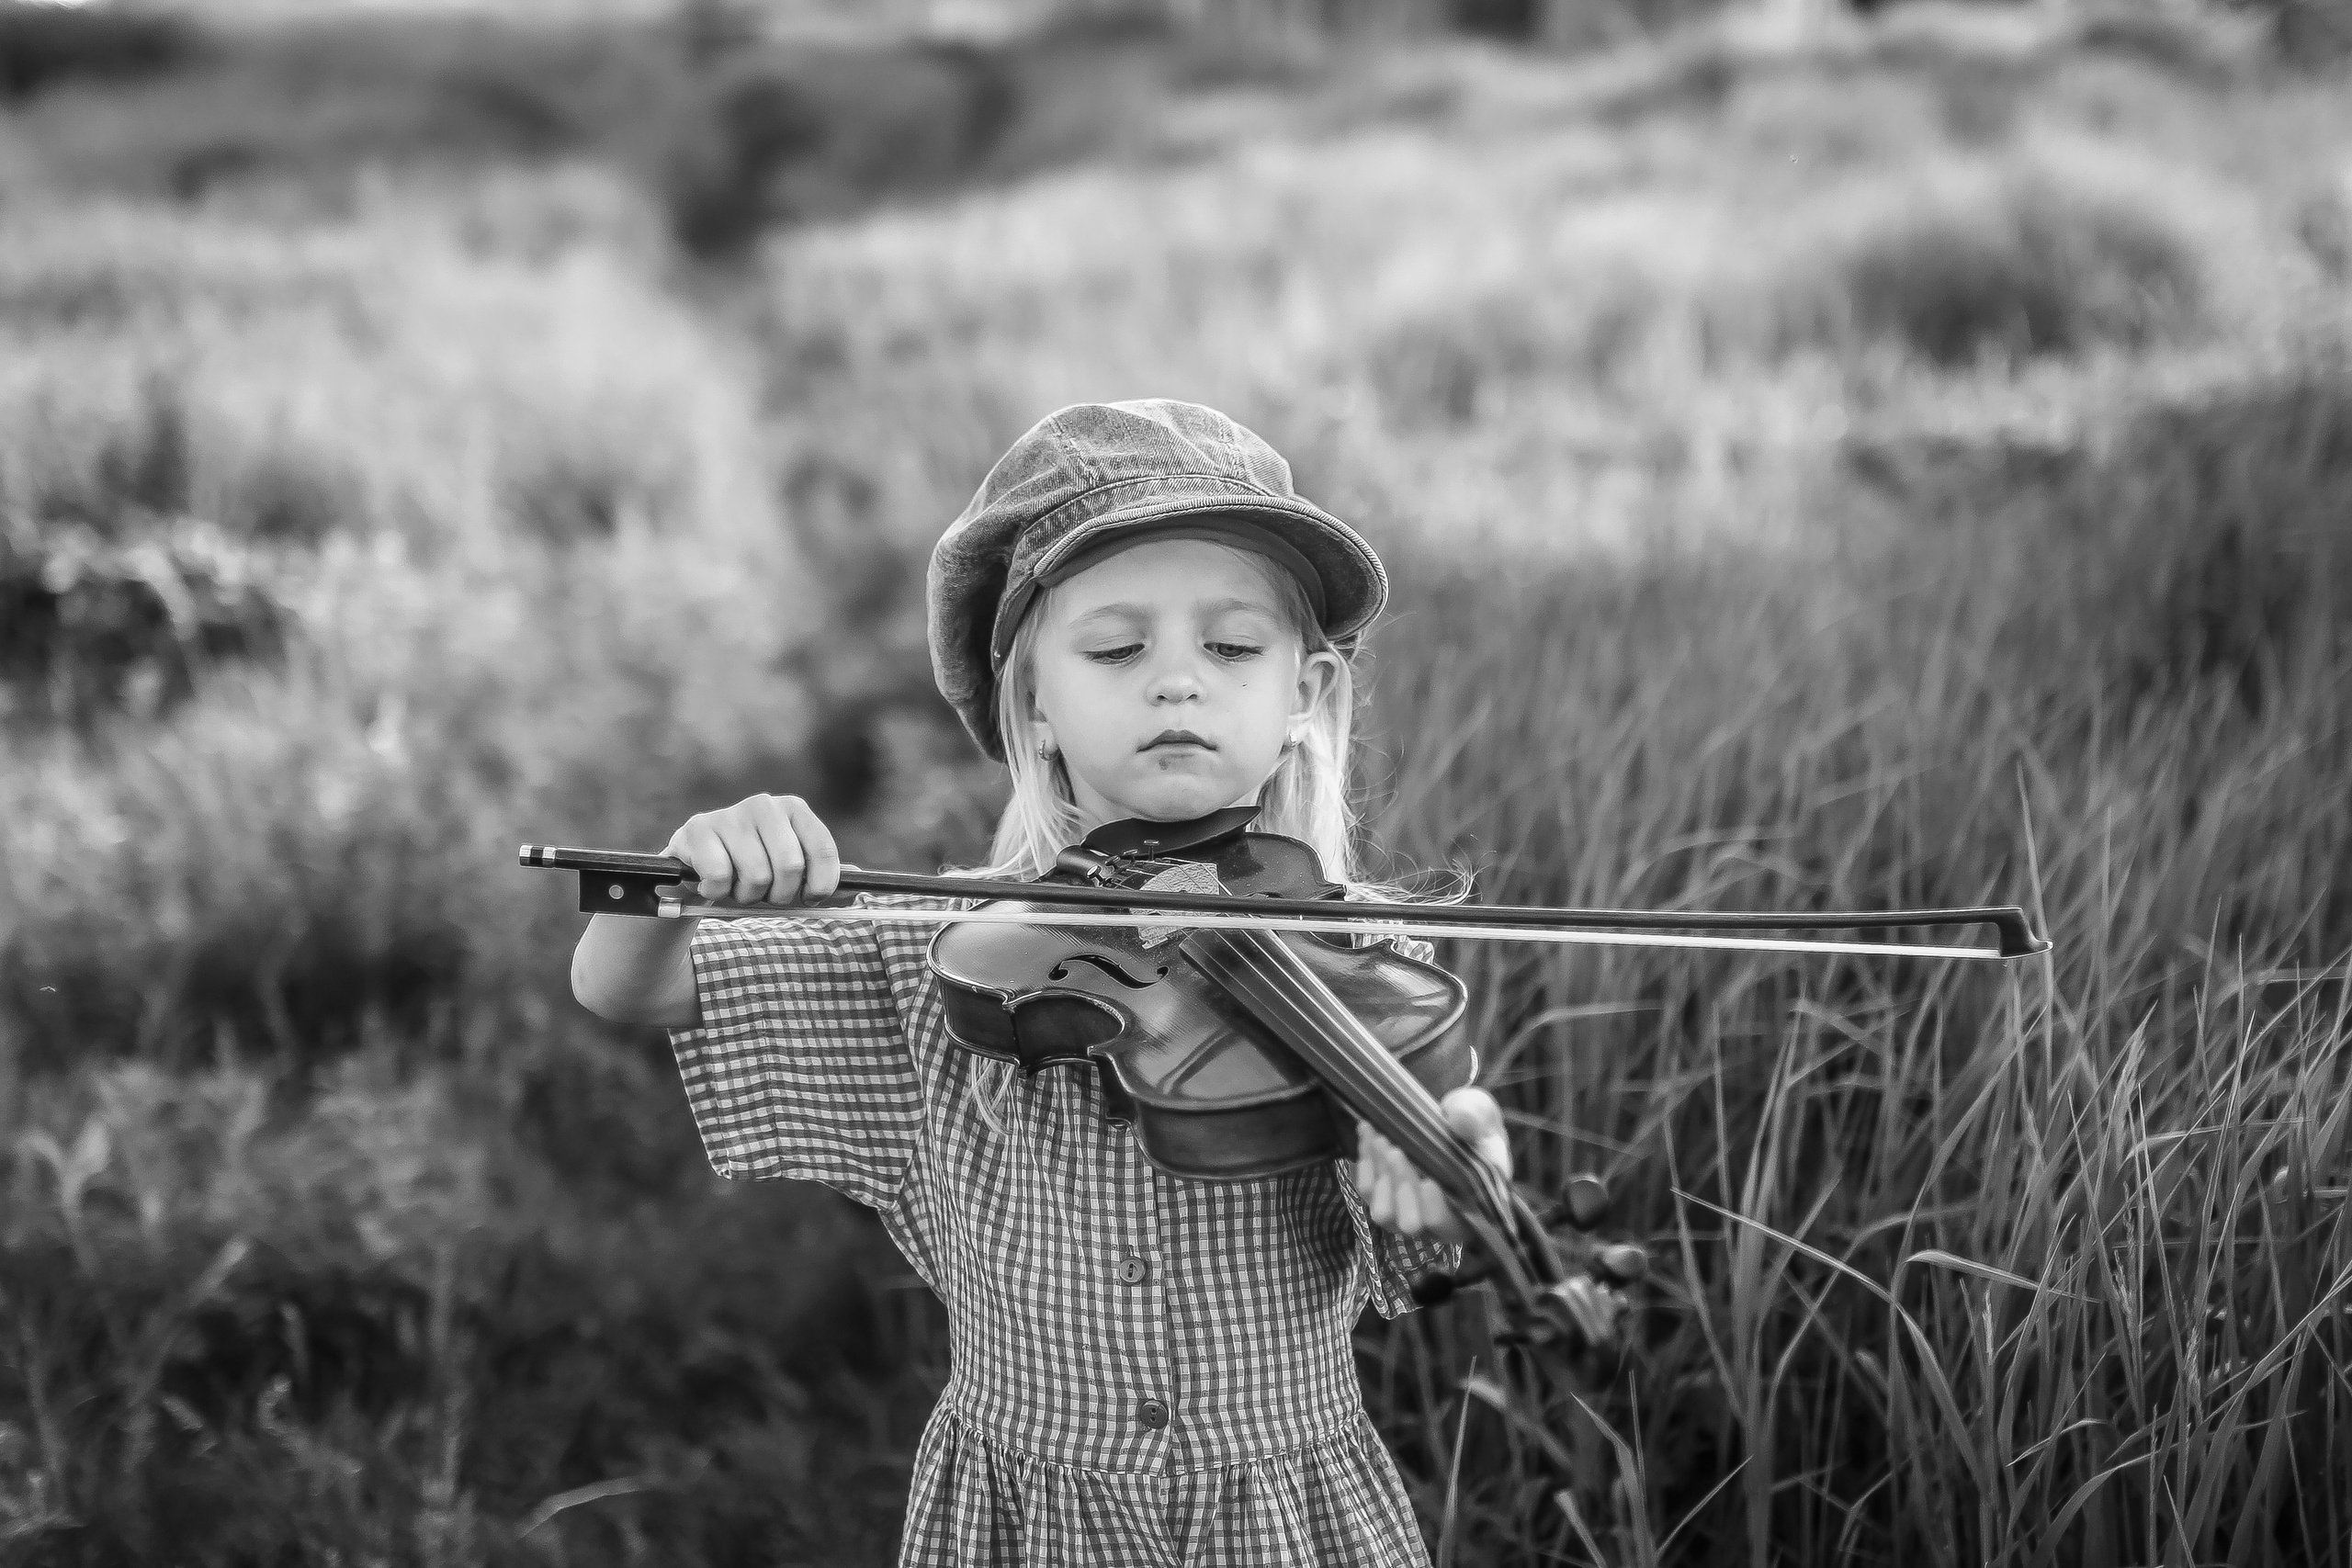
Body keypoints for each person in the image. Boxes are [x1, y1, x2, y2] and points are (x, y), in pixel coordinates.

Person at [571, 400, 1514, 1566]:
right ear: (1035, 706)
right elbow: (631, 990)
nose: (1179, 684)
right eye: (1117, 650)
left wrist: (1446, 1159)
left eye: (1232, 647)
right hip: (1027, 1519)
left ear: (1305, 697)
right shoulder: (940, 958)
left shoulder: (1362, 964)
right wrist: (683, 880)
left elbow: (1431, 1254)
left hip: (1284, 1517)